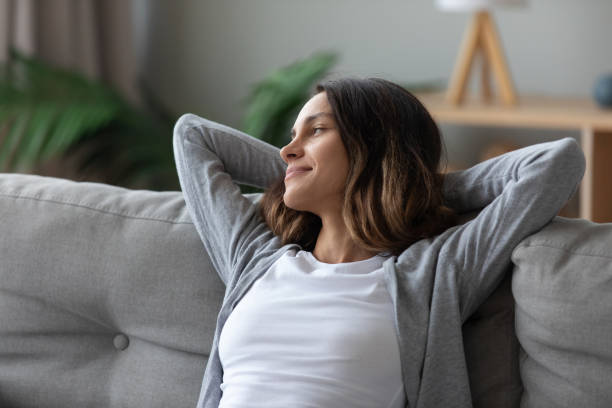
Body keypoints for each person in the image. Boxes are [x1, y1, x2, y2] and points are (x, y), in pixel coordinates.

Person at [172, 77, 585, 408]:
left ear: (374, 152)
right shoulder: (255, 257)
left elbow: (556, 163)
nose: (287, 151)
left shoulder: (433, 274)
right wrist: (302, 171)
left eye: (315, 131)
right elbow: (192, 136)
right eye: (292, 137)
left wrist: (409, 182)